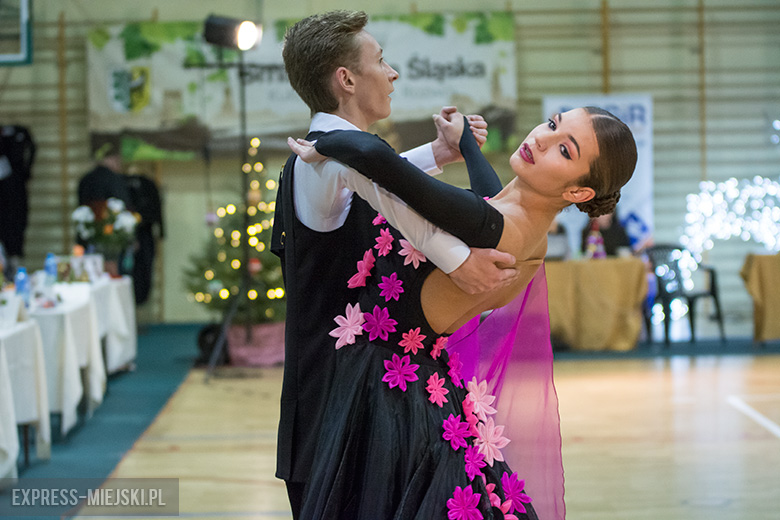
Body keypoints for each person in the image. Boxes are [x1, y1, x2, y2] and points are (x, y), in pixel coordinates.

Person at [288, 106, 637, 518]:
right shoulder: (518, 223)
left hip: (388, 396)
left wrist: (326, 140)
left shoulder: (504, 228)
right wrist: (466, 144)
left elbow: (393, 174)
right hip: (413, 382)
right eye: (551, 124)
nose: (541, 139)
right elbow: (490, 196)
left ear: (578, 193)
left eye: (564, 149)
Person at [270, 11, 519, 518]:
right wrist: (461, 262)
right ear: (346, 79)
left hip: (349, 396)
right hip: (331, 408)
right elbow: (392, 197)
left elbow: (383, 173)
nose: (393, 73)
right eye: (381, 61)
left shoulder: (328, 154)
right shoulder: (331, 157)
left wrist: (440, 152)